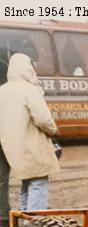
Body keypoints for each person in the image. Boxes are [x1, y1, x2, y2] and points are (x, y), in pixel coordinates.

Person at [0, 53, 59, 213]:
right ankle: (35, 223)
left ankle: (26, 219)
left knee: (26, 184)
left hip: (13, 147)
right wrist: (54, 130)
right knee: (38, 184)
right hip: (33, 145)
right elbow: (43, 119)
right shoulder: (30, 90)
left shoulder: (2, 91)